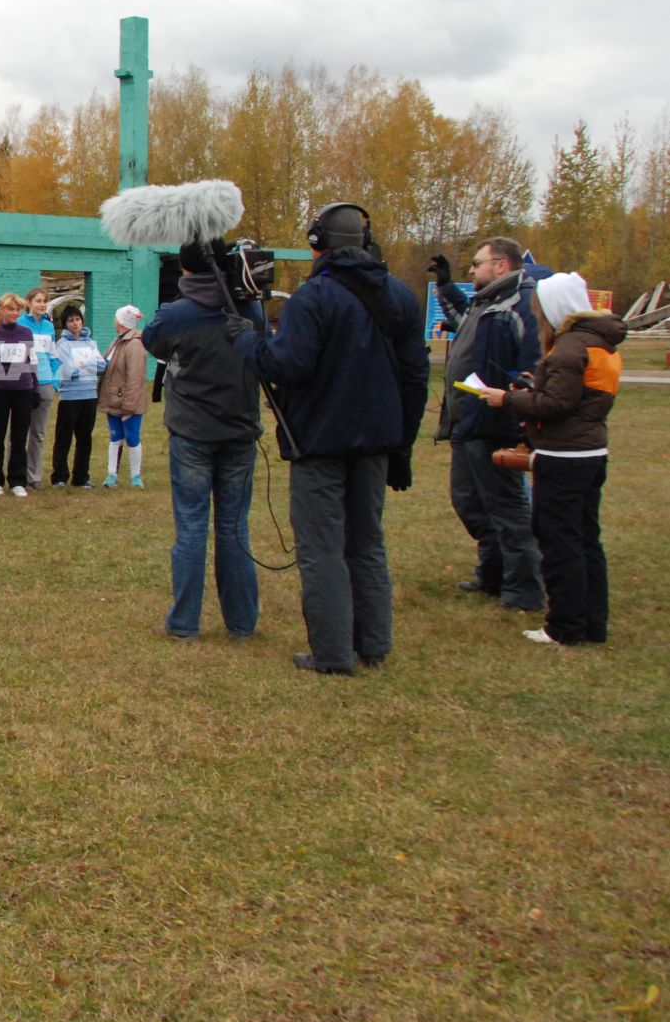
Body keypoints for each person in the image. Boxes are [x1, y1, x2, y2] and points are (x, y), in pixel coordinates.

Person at [231, 204, 430, 675]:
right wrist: (402, 445)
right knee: (367, 544)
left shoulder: (313, 299)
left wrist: (246, 342)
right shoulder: (400, 297)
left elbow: (286, 365)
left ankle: (332, 653)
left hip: (319, 442)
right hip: (378, 441)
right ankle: (374, 645)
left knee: (321, 549)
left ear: (317, 242)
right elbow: (415, 376)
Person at [480, 272, 625, 646]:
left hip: (563, 455)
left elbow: (556, 404)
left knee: (560, 541)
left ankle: (564, 626)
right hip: (591, 451)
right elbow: (575, 397)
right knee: (586, 539)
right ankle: (592, 623)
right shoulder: (598, 343)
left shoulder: (568, 348)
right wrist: (536, 386)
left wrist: (508, 399)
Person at [142, 245, 265, 640]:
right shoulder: (249, 310)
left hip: (193, 432)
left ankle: (184, 623)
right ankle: (242, 622)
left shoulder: (178, 313)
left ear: (185, 268)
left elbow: (152, 341)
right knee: (234, 528)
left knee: (192, 528)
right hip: (239, 431)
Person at [429, 238, 544, 611]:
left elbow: (533, 363)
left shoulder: (522, 304)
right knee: (469, 501)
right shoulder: (488, 302)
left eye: (477, 264)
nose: (472, 271)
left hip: (496, 422)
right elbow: (465, 324)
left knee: (508, 508)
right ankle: (493, 573)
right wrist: (446, 287)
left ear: (502, 265)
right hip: (467, 421)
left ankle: (524, 588)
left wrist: (519, 405)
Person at [0, 293, 35, 496]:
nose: (14, 313)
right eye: (10, 309)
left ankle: (17, 481)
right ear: (1, 310)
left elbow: (31, 362)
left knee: (19, 438)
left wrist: (35, 389)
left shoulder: (26, 333)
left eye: (17, 309)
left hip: (23, 390)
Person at [50, 307, 106, 490]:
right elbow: (69, 371)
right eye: (71, 320)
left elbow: (101, 366)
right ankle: (59, 476)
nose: (75, 323)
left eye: (77, 319)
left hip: (90, 394)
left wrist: (82, 363)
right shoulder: (63, 344)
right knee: (64, 438)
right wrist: (87, 364)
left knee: (85, 438)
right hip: (70, 397)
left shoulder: (91, 343)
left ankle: (81, 476)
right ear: (65, 324)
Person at [16, 288, 61, 488]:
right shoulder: (20, 324)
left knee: (39, 433)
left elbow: (53, 357)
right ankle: (16, 474)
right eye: (38, 301)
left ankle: (34, 476)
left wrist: (53, 382)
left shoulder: (49, 327)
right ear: (29, 302)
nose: (41, 305)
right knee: (18, 431)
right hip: (24, 384)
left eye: (44, 301)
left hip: (45, 384)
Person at [99, 305, 148, 488]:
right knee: (115, 436)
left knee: (132, 436)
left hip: (127, 401)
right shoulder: (118, 340)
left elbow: (135, 377)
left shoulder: (134, 344)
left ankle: (136, 476)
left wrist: (129, 404)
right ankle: (112, 475)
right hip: (114, 398)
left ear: (121, 322)